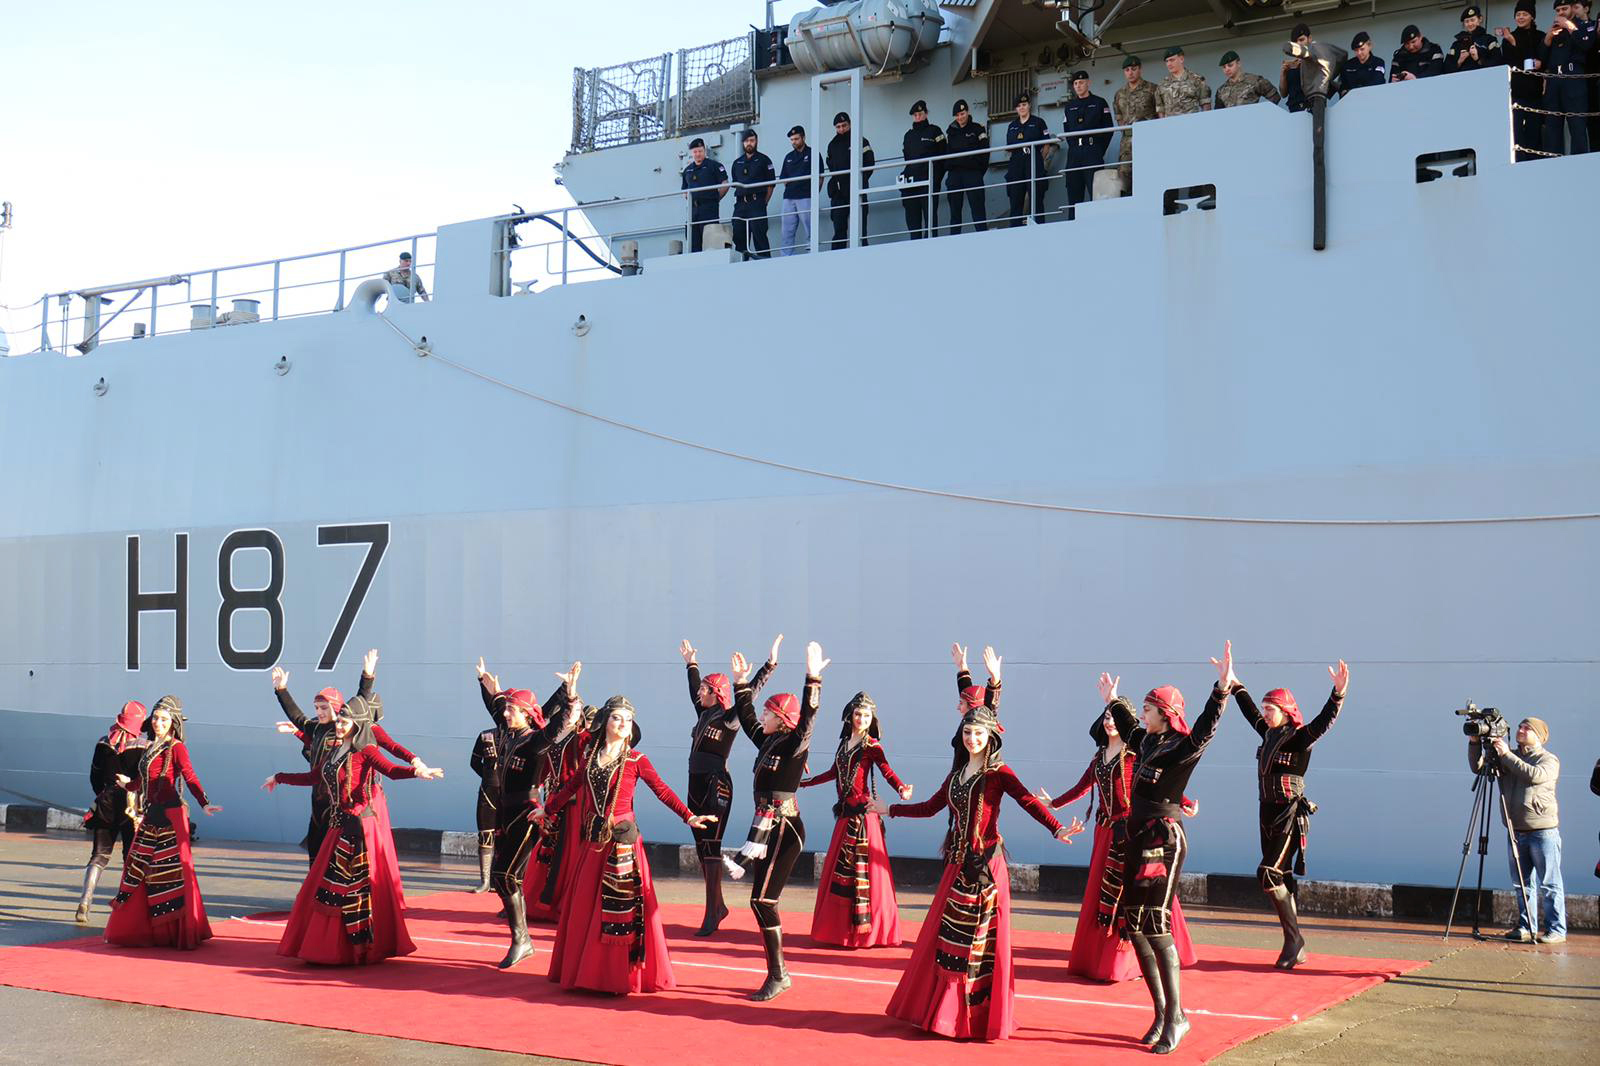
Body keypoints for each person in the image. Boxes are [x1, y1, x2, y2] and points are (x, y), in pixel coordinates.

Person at [874, 665, 1084, 1041]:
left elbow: (1025, 801)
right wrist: (889, 809)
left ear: (991, 737)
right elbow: (931, 807)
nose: (973, 737)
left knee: (978, 945)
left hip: (985, 866)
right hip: (957, 865)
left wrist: (1056, 828)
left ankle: (973, 1019)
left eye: (979, 733)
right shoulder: (956, 776)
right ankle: (940, 1014)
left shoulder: (998, 773)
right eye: (968, 732)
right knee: (943, 940)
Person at [1103, 642, 1237, 1055]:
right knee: (1133, 921)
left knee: (1157, 924)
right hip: (1136, 836)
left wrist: (1221, 689)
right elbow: (1128, 727)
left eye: (1148, 708)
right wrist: (1113, 701)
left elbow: (1206, 729)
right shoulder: (1146, 742)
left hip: (1164, 840)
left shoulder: (1182, 747)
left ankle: (1178, 1016)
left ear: (1165, 712)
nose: (1142, 714)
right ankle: (1161, 1012)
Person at [540, 694, 717, 994]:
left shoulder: (637, 759)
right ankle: (585, 973)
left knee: (618, 910)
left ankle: (614, 977)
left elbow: (661, 789)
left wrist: (688, 816)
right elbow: (573, 784)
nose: (622, 723)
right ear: (606, 722)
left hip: (621, 844)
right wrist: (547, 809)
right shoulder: (590, 756)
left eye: (627, 720)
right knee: (585, 909)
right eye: (617, 718)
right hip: (592, 843)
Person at [265, 693, 444, 966]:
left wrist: (417, 771)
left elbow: (391, 769)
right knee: (322, 885)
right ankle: (325, 947)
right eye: (340, 721)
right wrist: (280, 778)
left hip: (360, 826)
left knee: (353, 889)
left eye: (346, 721)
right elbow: (315, 777)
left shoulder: (365, 750)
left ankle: (360, 948)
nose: (340, 725)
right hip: (338, 824)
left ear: (358, 723)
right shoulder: (334, 748)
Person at [1036, 705, 1198, 982]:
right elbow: (1082, 787)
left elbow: (1163, 782)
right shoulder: (1100, 757)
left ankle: (1132, 962)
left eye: (1115, 718)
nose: (1110, 722)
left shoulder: (1136, 754)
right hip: (1105, 831)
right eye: (1107, 717)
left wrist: (1184, 803)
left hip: (1132, 831)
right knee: (1105, 895)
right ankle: (1105, 961)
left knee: (1137, 893)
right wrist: (1054, 803)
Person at [723, 640, 829, 1001]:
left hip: (783, 828)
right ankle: (778, 973)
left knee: (762, 901)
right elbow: (747, 715)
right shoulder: (767, 741)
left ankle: (779, 974)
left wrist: (812, 677)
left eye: (769, 714)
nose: (762, 719)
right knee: (761, 901)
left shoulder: (793, 745)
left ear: (782, 720)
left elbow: (810, 719)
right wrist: (741, 681)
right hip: (768, 828)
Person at [1233, 661, 1350, 969]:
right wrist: (1233, 683)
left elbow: (1324, 722)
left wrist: (1338, 693)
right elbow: (1248, 712)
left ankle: (1295, 939)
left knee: (1268, 873)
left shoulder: (1299, 737)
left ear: (1285, 710)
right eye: (1265, 708)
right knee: (1280, 876)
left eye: (1270, 708)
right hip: (1265, 812)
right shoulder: (1268, 734)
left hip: (1288, 813)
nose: (1265, 713)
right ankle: (1293, 944)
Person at [475, 658, 581, 944]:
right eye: (506, 709)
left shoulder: (535, 741)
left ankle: (522, 941)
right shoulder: (507, 735)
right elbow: (498, 710)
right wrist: (490, 690)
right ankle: (521, 939)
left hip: (527, 813)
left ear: (526, 714)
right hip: (503, 813)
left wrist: (570, 694)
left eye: (512, 709)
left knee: (505, 876)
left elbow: (561, 724)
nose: (506, 714)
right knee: (504, 879)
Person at [104, 696, 223, 950]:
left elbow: (190, 776)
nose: (158, 723)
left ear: (173, 723)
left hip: (170, 818)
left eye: (164, 719)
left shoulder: (176, 747)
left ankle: (176, 933)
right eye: (156, 718)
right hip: (151, 816)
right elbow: (143, 780)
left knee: (172, 876)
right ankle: (141, 930)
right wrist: (129, 784)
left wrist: (204, 803)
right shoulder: (150, 747)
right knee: (137, 869)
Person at [679, 635, 778, 936]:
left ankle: (712, 915)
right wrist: (691, 664)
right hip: (694, 784)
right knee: (700, 847)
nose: (700, 691)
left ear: (717, 692)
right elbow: (691, 688)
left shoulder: (731, 717)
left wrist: (768, 666)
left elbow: (750, 696)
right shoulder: (705, 712)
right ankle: (718, 906)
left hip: (715, 786)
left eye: (706, 688)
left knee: (712, 849)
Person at [798, 690, 911, 948]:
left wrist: (901, 788)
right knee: (840, 876)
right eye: (858, 714)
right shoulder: (844, 744)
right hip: (845, 816)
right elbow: (832, 773)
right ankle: (840, 932)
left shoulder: (872, 746)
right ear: (850, 717)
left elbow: (887, 770)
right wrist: (804, 783)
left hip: (863, 818)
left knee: (866, 877)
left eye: (866, 715)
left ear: (873, 719)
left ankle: (869, 933)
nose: (862, 718)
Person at [1469, 718, 1566, 943]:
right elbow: (1479, 768)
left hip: (1543, 831)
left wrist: (1506, 756)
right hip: (1516, 831)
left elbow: (1534, 775)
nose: (1521, 730)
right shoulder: (1509, 757)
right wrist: (1475, 743)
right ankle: (1526, 926)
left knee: (1550, 884)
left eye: (1527, 728)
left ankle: (1557, 930)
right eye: (1520, 727)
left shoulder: (1548, 759)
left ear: (1539, 736)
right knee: (1522, 884)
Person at [75, 701, 149, 923]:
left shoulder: (103, 743)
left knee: (98, 856)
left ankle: (85, 901)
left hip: (106, 803)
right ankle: (125, 908)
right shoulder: (145, 746)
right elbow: (145, 781)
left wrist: (104, 794)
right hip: (131, 806)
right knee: (130, 857)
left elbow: (94, 778)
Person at [1541, 2, 1594, 155]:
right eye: (1558, 10)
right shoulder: (1555, 29)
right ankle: (1553, 162)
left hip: (1573, 79)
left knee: (1577, 126)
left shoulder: (1583, 25)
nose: (1561, 12)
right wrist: (1548, 38)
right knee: (1552, 127)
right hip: (1553, 81)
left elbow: (1586, 44)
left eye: (1565, 9)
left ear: (1572, 9)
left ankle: (1580, 163)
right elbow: (1541, 58)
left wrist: (1570, 26)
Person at [1060, 71, 1113, 220]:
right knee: (1073, 194)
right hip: (1075, 154)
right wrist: (1075, 147)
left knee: (1095, 193)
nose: (1078, 86)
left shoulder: (1099, 102)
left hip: (1093, 151)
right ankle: (1073, 227)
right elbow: (1067, 131)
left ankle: (1097, 224)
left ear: (1088, 83)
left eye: (1081, 82)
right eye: (1075, 83)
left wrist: (1098, 150)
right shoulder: (1069, 107)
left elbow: (1108, 130)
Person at [1499, 2, 1548, 159]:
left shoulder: (1540, 36)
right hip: (1516, 92)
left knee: (1535, 131)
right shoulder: (1509, 37)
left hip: (1536, 91)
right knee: (1516, 132)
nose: (1520, 17)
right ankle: (1519, 163)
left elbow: (1545, 58)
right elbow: (1510, 62)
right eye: (1518, 15)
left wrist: (1541, 64)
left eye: (1524, 14)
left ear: (1532, 16)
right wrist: (1513, 44)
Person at [824, 113, 875, 249]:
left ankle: (862, 252)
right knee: (839, 227)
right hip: (838, 193)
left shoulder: (860, 140)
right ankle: (837, 255)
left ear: (850, 124)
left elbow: (869, 163)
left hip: (856, 189)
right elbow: (831, 166)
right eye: (838, 127)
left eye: (844, 125)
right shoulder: (832, 145)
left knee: (860, 227)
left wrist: (859, 181)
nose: (841, 129)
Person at [1003, 92, 1053, 226]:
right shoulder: (1012, 126)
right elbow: (1009, 147)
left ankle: (1038, 227)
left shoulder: (1038, 122)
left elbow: (1046, 145)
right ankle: (1015, 229)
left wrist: (1038, 160)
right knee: (1015, 199)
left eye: (1024, 105)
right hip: (1016, 163)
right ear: (1016, 109)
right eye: (1019, 106)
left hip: (1033, 160)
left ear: (1029, 105)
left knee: (1036, 198)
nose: (1022, 108)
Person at [1113, 56, 1160, 194]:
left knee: (1151, 172)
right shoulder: (1119, 94)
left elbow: (1160, 114)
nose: (1130, 73)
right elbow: (1119, 118)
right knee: (1125, 175)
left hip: (1149, 139)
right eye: (1127, 70)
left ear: (1140, 69)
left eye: (1133, 69)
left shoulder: (1153, 89)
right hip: (1127, 144)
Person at [900, 99, 946, 239]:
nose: (918, 117)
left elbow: (943, 156)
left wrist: (936, 180)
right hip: (912, 185)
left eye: (920, 114)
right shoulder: (908, 136)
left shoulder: (935, 131)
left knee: (930, 223)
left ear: (926, 113)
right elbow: (907, 159)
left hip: (929, 183)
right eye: (915, 115)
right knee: (913, 224)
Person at [943, 99, 989, 233]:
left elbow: (985, 153)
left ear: (967, 112)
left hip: (972, 173)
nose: (960, 117)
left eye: (962, 114)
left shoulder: (977, 129)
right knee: (955, 212)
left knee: (978, 209)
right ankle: (954, 239)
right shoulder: (951, 132)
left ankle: (982, 237)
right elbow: (948, 154)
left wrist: (979, 172)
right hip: (955, 175)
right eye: (957, 115)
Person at [729, 130, 775, 260]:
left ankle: (765, 264)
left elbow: (771, 185)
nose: (749, 143)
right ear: (743, 143)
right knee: (738, 236)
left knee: (759, 236)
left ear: (756, 141)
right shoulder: (737, 163)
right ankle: (741, 266)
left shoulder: (764, 160)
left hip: (757, 203)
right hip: (740, 205)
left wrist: (763, 203)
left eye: (752, 140)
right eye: (747, 141)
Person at [680, 137, 729, 254]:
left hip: (709, 208)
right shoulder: (687, 170)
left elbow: (725, 184)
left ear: (705, 151)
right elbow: (685, 191)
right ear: (692, 153)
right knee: (693, 241)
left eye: (700, 151)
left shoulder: (714, 166)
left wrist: (715, 199)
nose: (697, 154)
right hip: (693, 210)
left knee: (710, 240)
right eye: (695, 152)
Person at [778, 125, 818, 255]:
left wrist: (814, 194)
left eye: (796, 139)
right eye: (792, 139)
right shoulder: (788, 156)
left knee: (810, 227)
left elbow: (820, 177)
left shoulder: (813, 153)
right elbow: (784, 178)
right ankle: (786, 255)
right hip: (789, 197)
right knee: (786, 229)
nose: (794, 142)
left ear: (803, 138)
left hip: (806, 196)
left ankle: (812, 252)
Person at [1157, 46, 1212, 117]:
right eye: (1166, 61)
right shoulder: (1162, 84)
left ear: (1181, 59)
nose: (1169, 64)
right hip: (1171, 126)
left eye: (1172, 60)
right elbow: (1160, 110)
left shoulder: (1197, 79)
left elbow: (1205, 105)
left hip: (1192, 123)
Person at [1215, 51, 1284, 108]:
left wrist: (1262, 113)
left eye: (1230, 65)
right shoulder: (1221, 90)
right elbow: (1218, 113)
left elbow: (1275, 97)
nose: (1227, 69)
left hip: (1252, 122)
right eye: (1224, 67)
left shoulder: (1255, 81)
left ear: (1238, 64)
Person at [1447, 6, 1503, 71]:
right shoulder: (1456, 44)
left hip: (1485, 79)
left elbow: (1498, 63)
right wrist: (1459, 61)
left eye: (1472, 20)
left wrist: (1478, 59)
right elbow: (1446, 69)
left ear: (1480, 19)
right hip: (1461, 80)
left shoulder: (1490, 40)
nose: (1470, 24)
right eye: (1467, 21)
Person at [1339, 32, 1389, 97]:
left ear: (1370, 46)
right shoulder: (1347, 65)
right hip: (1352, 102)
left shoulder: (1378, 62)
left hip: (1373, 99)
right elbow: (1342, 87)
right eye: (1356, 50)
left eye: (1362, 49)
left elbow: (1377, 82)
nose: (1359, 53)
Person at [1282, 23, 1314, 111]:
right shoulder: (1292, 64)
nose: (1298, 44)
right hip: (1295, 109)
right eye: (1295, 42)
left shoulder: (1318, 57)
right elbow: (1283, 93)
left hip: (1314, 106)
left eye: (1301, 40)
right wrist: (1283, 72)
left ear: (1310, 39)